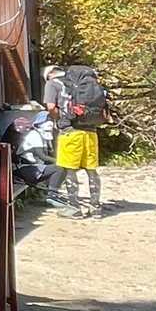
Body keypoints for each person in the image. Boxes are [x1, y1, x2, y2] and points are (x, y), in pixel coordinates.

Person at [45, 63, 108, 218]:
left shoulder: (53, 83)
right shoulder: (88, 84)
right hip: (91, 131)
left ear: (49, 74)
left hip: (70, 132)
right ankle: (95, 207)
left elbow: (51, 107)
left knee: (70, 170)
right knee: (91, 170)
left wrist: (61, 118)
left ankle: (74, 208)